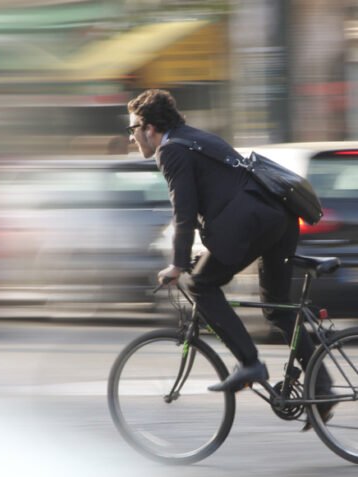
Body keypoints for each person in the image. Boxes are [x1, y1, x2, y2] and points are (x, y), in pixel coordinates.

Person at [126, 89, 334, 415]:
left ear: (149, 127)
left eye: (132, 130)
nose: (132, 138)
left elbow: (184, 211)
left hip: (248, 224)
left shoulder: (171, 152)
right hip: (278, 218)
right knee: (277, 309)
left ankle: (250, 363)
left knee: (200, 285)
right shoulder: (196, 138)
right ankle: (321, 389)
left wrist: (178, 265)